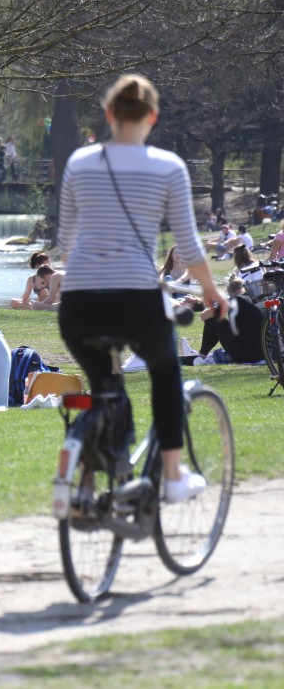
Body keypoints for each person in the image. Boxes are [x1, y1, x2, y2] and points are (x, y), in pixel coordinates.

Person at [58, 73, 228, 503]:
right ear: (152, 116)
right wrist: (212, 291)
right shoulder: (168, 168)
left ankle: (104, 464)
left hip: (78, 303)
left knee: (105, 385)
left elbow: (65, 243)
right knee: (165, 371)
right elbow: (188, 246)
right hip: (135, 297)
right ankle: (172, 475)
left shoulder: (79, 163)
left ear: (109, 113)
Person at [186, 278, 265, 366]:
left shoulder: (237, 300)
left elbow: (204, 316)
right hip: (264, 352)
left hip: (247, 354)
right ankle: (201, 356)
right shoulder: (256, 300)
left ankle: (201, 356)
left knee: (213, 319)